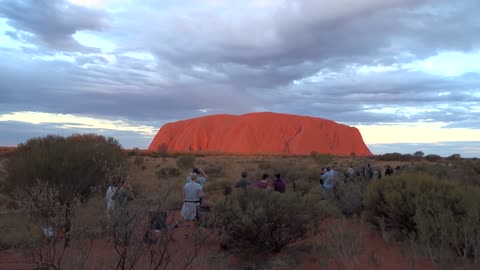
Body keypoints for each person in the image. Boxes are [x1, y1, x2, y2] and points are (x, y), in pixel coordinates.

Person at [181, 173, 203, 239]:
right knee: (196, 220)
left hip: (187, 203)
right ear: (196, 178)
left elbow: (183, 195)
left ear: (191, 178)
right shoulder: (199, 186)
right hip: (195, 204)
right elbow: (200, 196)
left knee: (186, 220)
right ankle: (196, 235)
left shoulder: (185, 185)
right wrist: (202, 194)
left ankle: (185, 235)